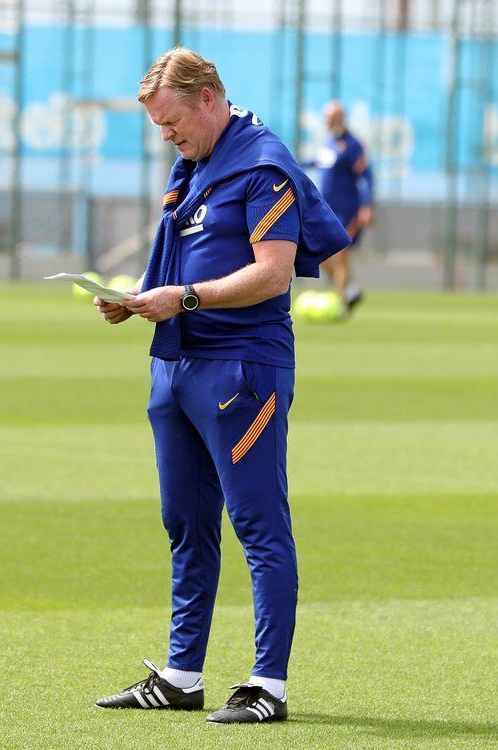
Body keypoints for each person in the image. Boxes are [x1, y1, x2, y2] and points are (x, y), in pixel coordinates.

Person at [92, 48, 351, 724]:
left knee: (259, 525)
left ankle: (268, 685)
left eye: (172, 121)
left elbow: (273, 273)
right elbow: (189, 263)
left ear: (208, 97)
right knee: (185, 523)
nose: (166, 136)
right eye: (158, 127)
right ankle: (181, 674)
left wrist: (187, 300)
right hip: (178, 364)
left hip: (243, 371)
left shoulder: (263, 166)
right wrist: (141, 299)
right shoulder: (198, 162)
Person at [313, 100, 373, 312]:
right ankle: (351, 290)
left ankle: (341, 303)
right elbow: (313, 162)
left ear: (340, 117)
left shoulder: (353, 145)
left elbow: (366, 177)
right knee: (320, 254)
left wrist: (366, 206)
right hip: (327, 209)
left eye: (330, 116)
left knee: (340, 253)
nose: (327, 120)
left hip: (347, 210)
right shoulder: (327, 144)